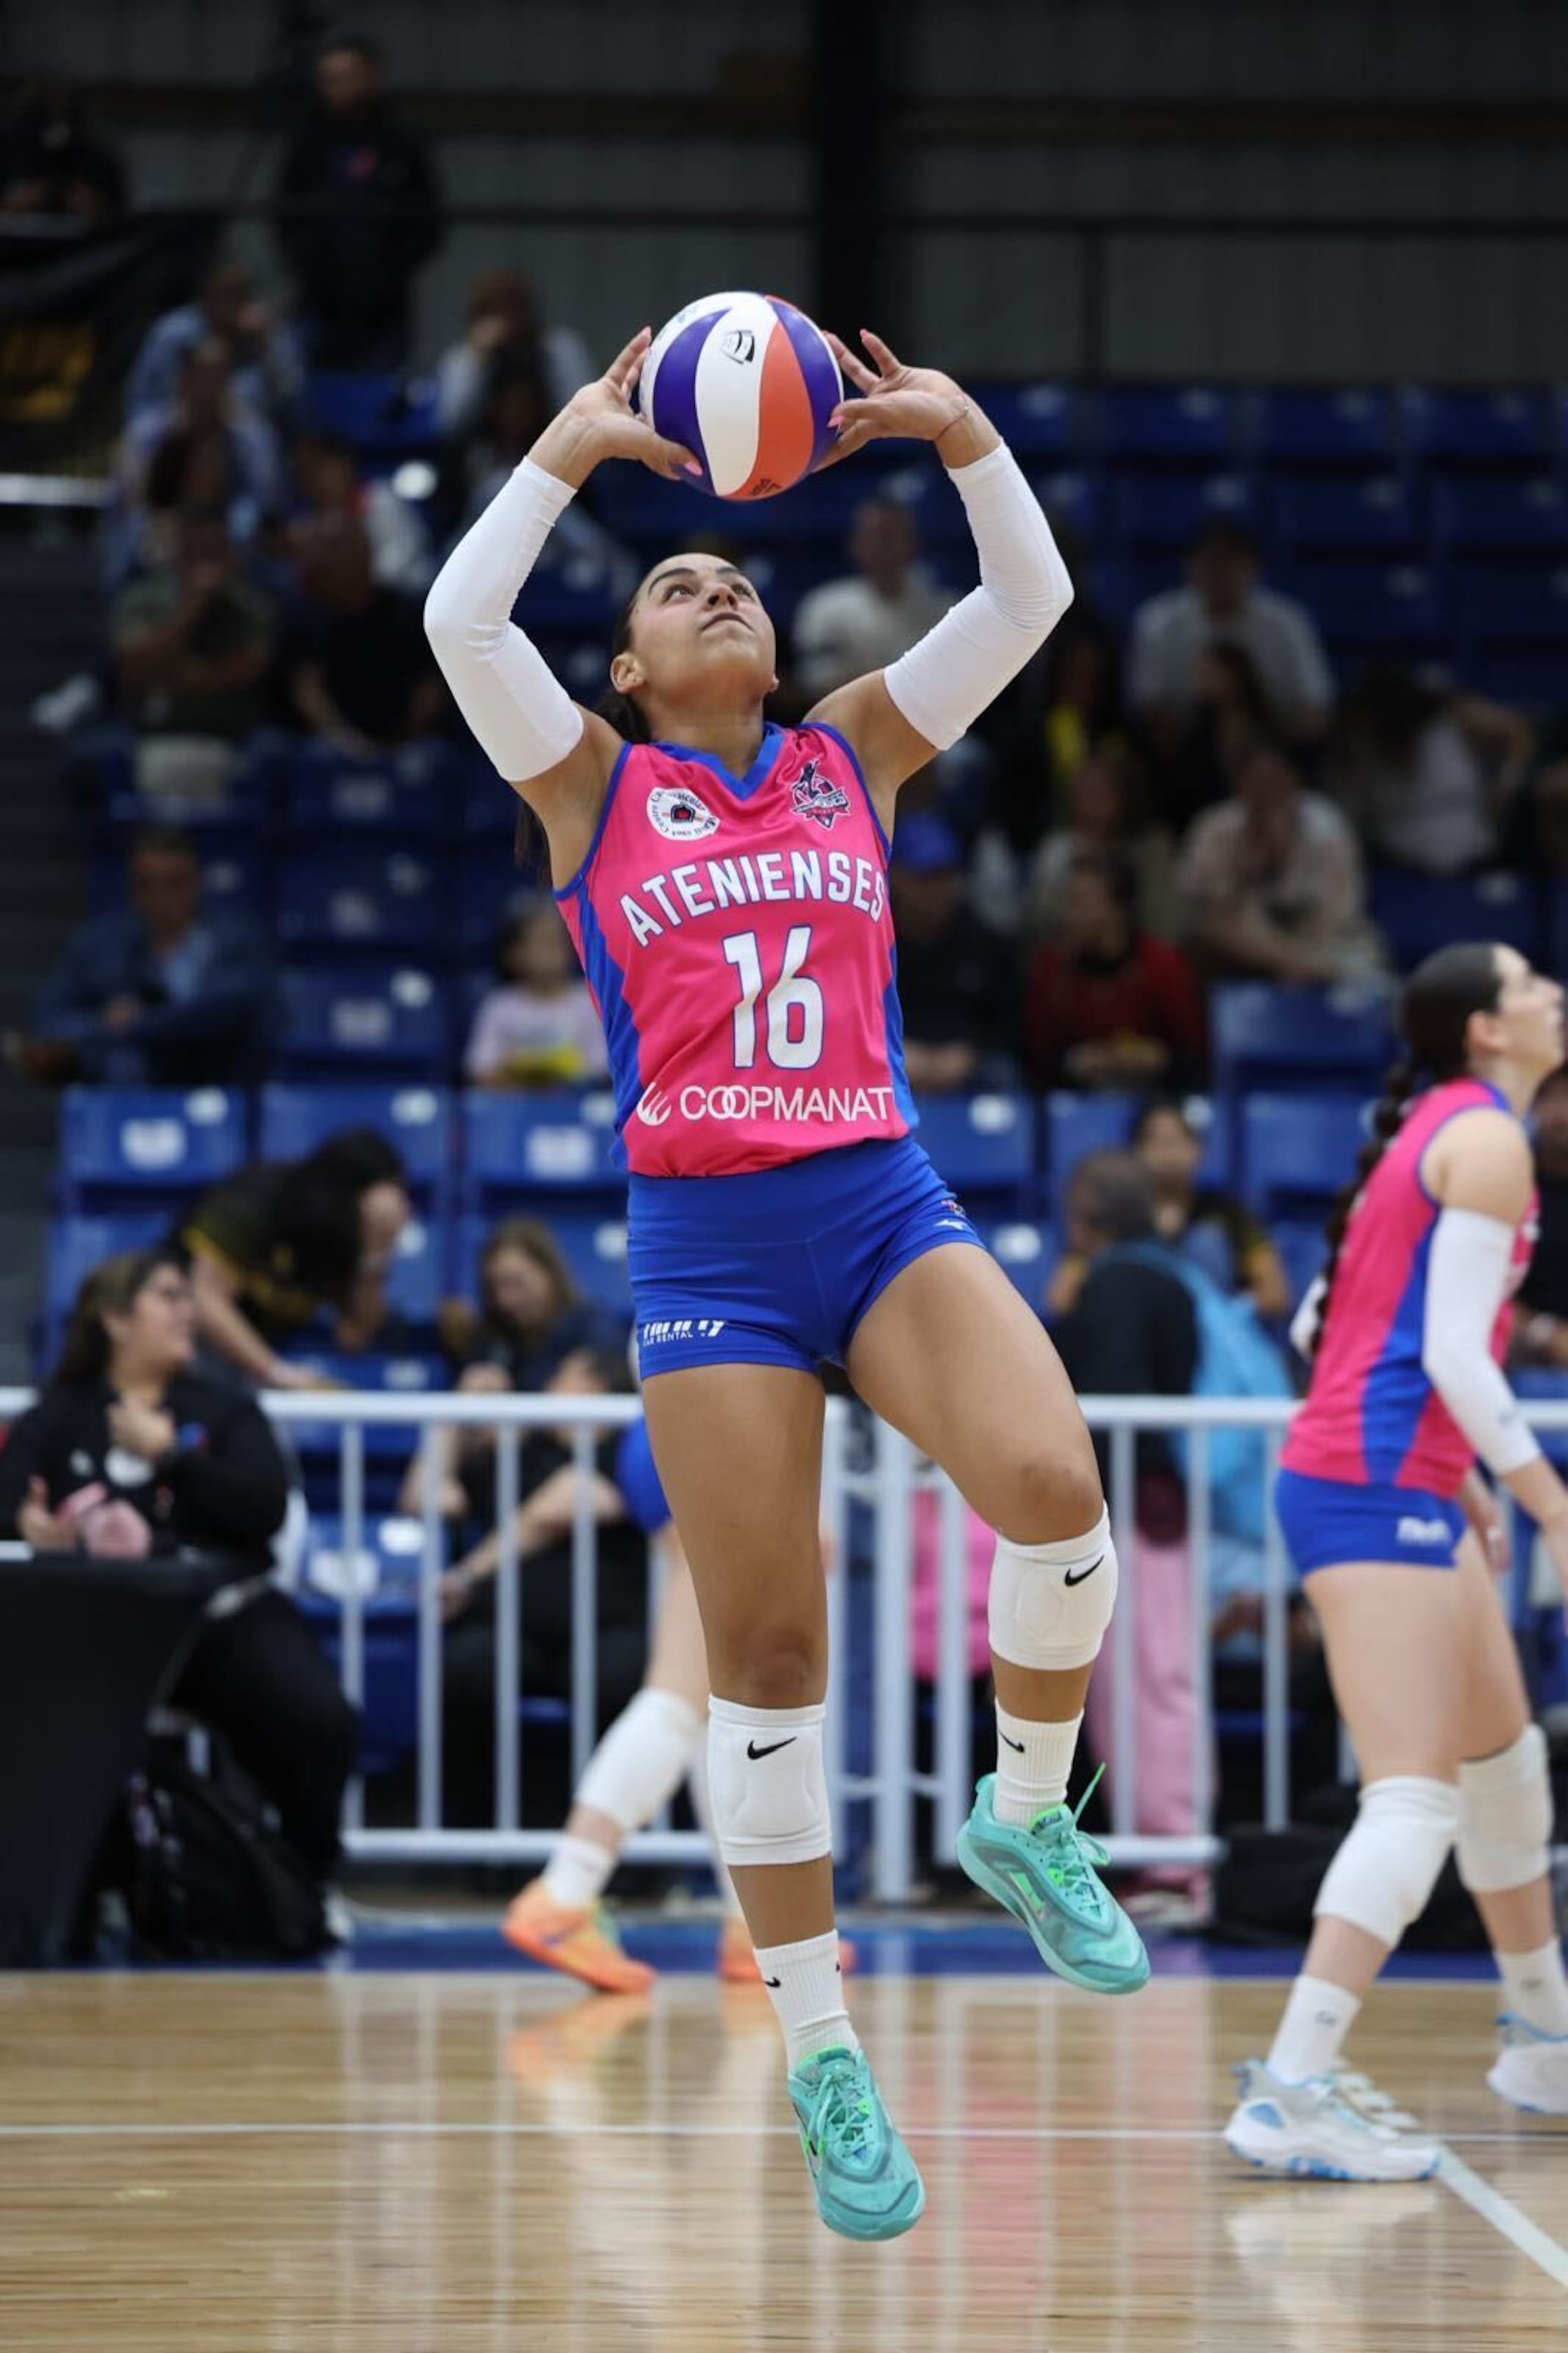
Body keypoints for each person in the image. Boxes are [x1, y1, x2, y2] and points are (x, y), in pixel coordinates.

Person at [424, 321, 1149, 2243]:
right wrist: (581, 444)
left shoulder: (853, 753)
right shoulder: (588, 786)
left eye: (728, 564)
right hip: (711, 1241)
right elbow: (455, 617)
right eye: (674, 584)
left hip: (876, 1194)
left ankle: (1021, 1805)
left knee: (1059, 1494)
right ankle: (825, 2050)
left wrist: (964, 430)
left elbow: (1032, 592)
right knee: (766, 1662)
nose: (710, 581)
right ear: (630, 668)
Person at [1225, 941, 1568, 2182]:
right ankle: (1291, 2088)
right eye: (1529, 983)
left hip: (1397, 1479)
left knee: (1503, 1764)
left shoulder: (1435, 1126)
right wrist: (1546, 1500)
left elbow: (1328, 1324)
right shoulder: (1483, 1141)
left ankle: (1542, 2038)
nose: (1551, 997)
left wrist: (1460, 1471)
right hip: (1369, 1489)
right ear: (1483, 1029)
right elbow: (1455, 1358)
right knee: (1415, 1792)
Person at [0, 1248, 358, 1883]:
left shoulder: (223, 1409)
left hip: (218, 1621)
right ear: (114, 1319)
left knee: (316, 1715)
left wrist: (171, 1454)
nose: (187, 1311)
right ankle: (63, 1896)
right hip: (95, 1633)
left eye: (189, 1297)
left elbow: (264, 1507)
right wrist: (25, 1526)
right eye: (168, 1296)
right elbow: (9, 1494)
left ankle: (304, 1877)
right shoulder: (63, 1412)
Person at [496, 1409, 851, 1991]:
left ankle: (752, 1928)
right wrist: (798, 1491)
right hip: (722, 1424)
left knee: (710, 1707)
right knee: (678, 1697)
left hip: (679, 1411)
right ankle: (564, 1892)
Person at [12, 823, 275, 1086]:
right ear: (131, 888)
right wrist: (103, 1023)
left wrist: (134, 1024)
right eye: (147, 884)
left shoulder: (239, 941)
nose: (160, 897)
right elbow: (49, 1023)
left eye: (173, 883)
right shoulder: (99, 944)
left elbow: (225, 1012)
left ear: (196, 883)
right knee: (123, 1061)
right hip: (125, 1090)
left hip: (216, 1090)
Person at [401, 1217, 620, 1524]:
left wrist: (520, 1422)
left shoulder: (589, 1326)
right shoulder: (493, 1339)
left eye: (518, 1283)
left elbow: (596, 1407)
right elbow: (472, 1425)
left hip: (567, 1474)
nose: (508, 1299)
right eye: (497, 1287)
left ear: (549, 1273)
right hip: (497, 1478)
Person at [181, 1129, 412, 1391]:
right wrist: (276, 1373)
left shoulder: (347, 1239)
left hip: (260, 1357)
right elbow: (206, 1299)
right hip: (195, 1341)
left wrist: (377, 1251)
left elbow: (354, 1338)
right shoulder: (258, 1196)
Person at [273, 31, 443, 369]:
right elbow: (285, 215)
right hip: (321, 302)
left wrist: (391, 272)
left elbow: (429, 221)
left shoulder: (401, 142)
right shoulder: (308, 144)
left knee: (379, 393)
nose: (333, 88)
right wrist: (310, 269)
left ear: (370, 77)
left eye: (343, 78)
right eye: (327, 79)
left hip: (386, 306)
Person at [1179, 736, 1386, 985]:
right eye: (1259, 783)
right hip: (1241, 948)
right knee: (1204, 941)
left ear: (1295, 780)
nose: (1271, 793)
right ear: (1240, 786)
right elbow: (1207, 914)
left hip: (1316, 942)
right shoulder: (1215, 829)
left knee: (1367, 956)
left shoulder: (1328, 829)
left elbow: (1339, 915)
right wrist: (1257, 868)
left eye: (1277, 780)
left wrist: (1284, 859)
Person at [1129, 518, 1333, 756]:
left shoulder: (1287, 624)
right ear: (1190, 566)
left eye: (1231, 562)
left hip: (1273, 749)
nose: (1220, 574)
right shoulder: (1159, 623)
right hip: (1185, 756)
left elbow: (1316, 709)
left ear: (1254, 567)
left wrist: (1264, 743)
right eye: (1210, 562)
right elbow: (1148, 708)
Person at [1022, 848, 1207, 1093]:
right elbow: (1033, 1061)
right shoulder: (1051, 967)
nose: (1069, 915)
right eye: (1069, 902)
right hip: (1075, 1105)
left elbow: (1196, 1059)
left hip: (1155, 1100)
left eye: (1079, 902)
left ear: (1116, 909)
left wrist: (1158, 1058)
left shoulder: (1164, 965)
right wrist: (1073, 1062)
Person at [1329, 660, 1533, 878]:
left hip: (1475, 859)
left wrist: (1505, 784)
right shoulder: (1359, 740)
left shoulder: (1451, 715)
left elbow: (1516, 732)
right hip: (1399, 871)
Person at [110, 507, 277, 772]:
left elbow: (251, 667)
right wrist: (193, 606)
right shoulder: (143, 598)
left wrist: (176, 678)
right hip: (157, 732)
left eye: (214, 555)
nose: (206, 568)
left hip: (235, 736)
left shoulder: (250, 605)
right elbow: (133, 668)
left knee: (274, 754)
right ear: (180, 555)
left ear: (230, 557)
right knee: (108, 756)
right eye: (197, 554)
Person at [111, 337, 284, 588]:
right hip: (157, 560)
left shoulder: (251, 440)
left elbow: (262, 508)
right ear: (184, 379)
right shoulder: (144, 437)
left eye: (218, 377)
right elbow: (136, 510)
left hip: (229, 562)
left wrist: (221, 550)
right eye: (202, 376)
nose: (209, 387)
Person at [286, 514, 443, 755]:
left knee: (434, 756)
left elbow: (430, 691)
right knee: (311, 754)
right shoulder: (310, 618)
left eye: (344, 550)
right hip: (337, 745)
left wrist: (399, 743)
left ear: (366, 554)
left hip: (408, 743)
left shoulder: (408, 613)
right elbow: (308, 692)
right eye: (328, 553)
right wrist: (349, 744)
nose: (334, 562)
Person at [888, 811, 1021, 1093]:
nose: (936, 889)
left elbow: (1010, 1027)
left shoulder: (987, 944)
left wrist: (971, 1053)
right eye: (925, 877)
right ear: (897, 877)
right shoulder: (876, 944)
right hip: (894, 1059)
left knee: (1003, 1073)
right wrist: (896, 1052)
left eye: (945, 875)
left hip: (968, 1064)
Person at [1133, 1097, 1290, 1319]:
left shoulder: (1227, 1212)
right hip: (1146, 1334)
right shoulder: (1123, 1214)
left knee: (1206, 1242)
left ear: (1198, 1149)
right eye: (1156, 1142)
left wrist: (1232, 1310)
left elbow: (1277, 1295)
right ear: (1137, 1152)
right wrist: (1153, 1238)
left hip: (1211, 1334)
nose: (1168, 1154)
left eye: (1177, 1141)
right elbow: (1070, 1295)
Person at [791, 498, 952, 704]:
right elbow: (813, 681)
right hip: (844, 722)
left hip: (930, 721)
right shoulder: (824, 606)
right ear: (855, 543)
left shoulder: (946, 609)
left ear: (914, 542)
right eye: (872, 536)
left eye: (890, 535)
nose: (882, 545)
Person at [126, 260, 305, 434]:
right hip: (179, 434)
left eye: (240, 295)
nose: (230, 306)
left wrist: (265, 348)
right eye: (225, 295)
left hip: (250, 437)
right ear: (207, 296)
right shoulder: (174, 334)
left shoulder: (267, 332)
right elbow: (143, 401)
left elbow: (293, 402)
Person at [1023, 750, 1178, 941]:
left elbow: (1167, 923)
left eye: (1101, 791)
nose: (1091, 801)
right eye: (1084, 791)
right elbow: (1042, 920)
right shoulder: (1058, 849)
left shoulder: (1153, 847)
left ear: (1125, 794)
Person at [435, 269, 594, 444]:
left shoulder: (558, 350)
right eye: (493, 311)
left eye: (511, 307)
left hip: (549, 455)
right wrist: (478, 359)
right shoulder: (465, 359)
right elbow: (448, 424)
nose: (505, 322)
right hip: (486, 460)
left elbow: (585, 418)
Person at [464, 897, 611, 1086]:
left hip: (573, 1105)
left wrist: (559, 1068)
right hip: (512, 1106)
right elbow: (479, 1069)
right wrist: (521, 1070)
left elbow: (602, 1068)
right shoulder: (499, 1006)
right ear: (513, 953)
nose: (547, 952)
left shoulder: (588, 1001)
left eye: (554, 942)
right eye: (537, 943)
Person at [289, 429, 431, 597]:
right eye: (308, 474)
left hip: (410, 598)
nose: (319, 482)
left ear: (346, 465)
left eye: (324, 469)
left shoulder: (381, 500)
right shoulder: (311, 525)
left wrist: (350, 577)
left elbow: (399, 563)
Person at [1512, 1065, 1568, 1372]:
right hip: (1522, 1343)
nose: (1562, 1114)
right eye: (1551, 1098)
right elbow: (1479, 1289)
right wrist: (1544, 1332)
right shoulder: (1505, 1178)